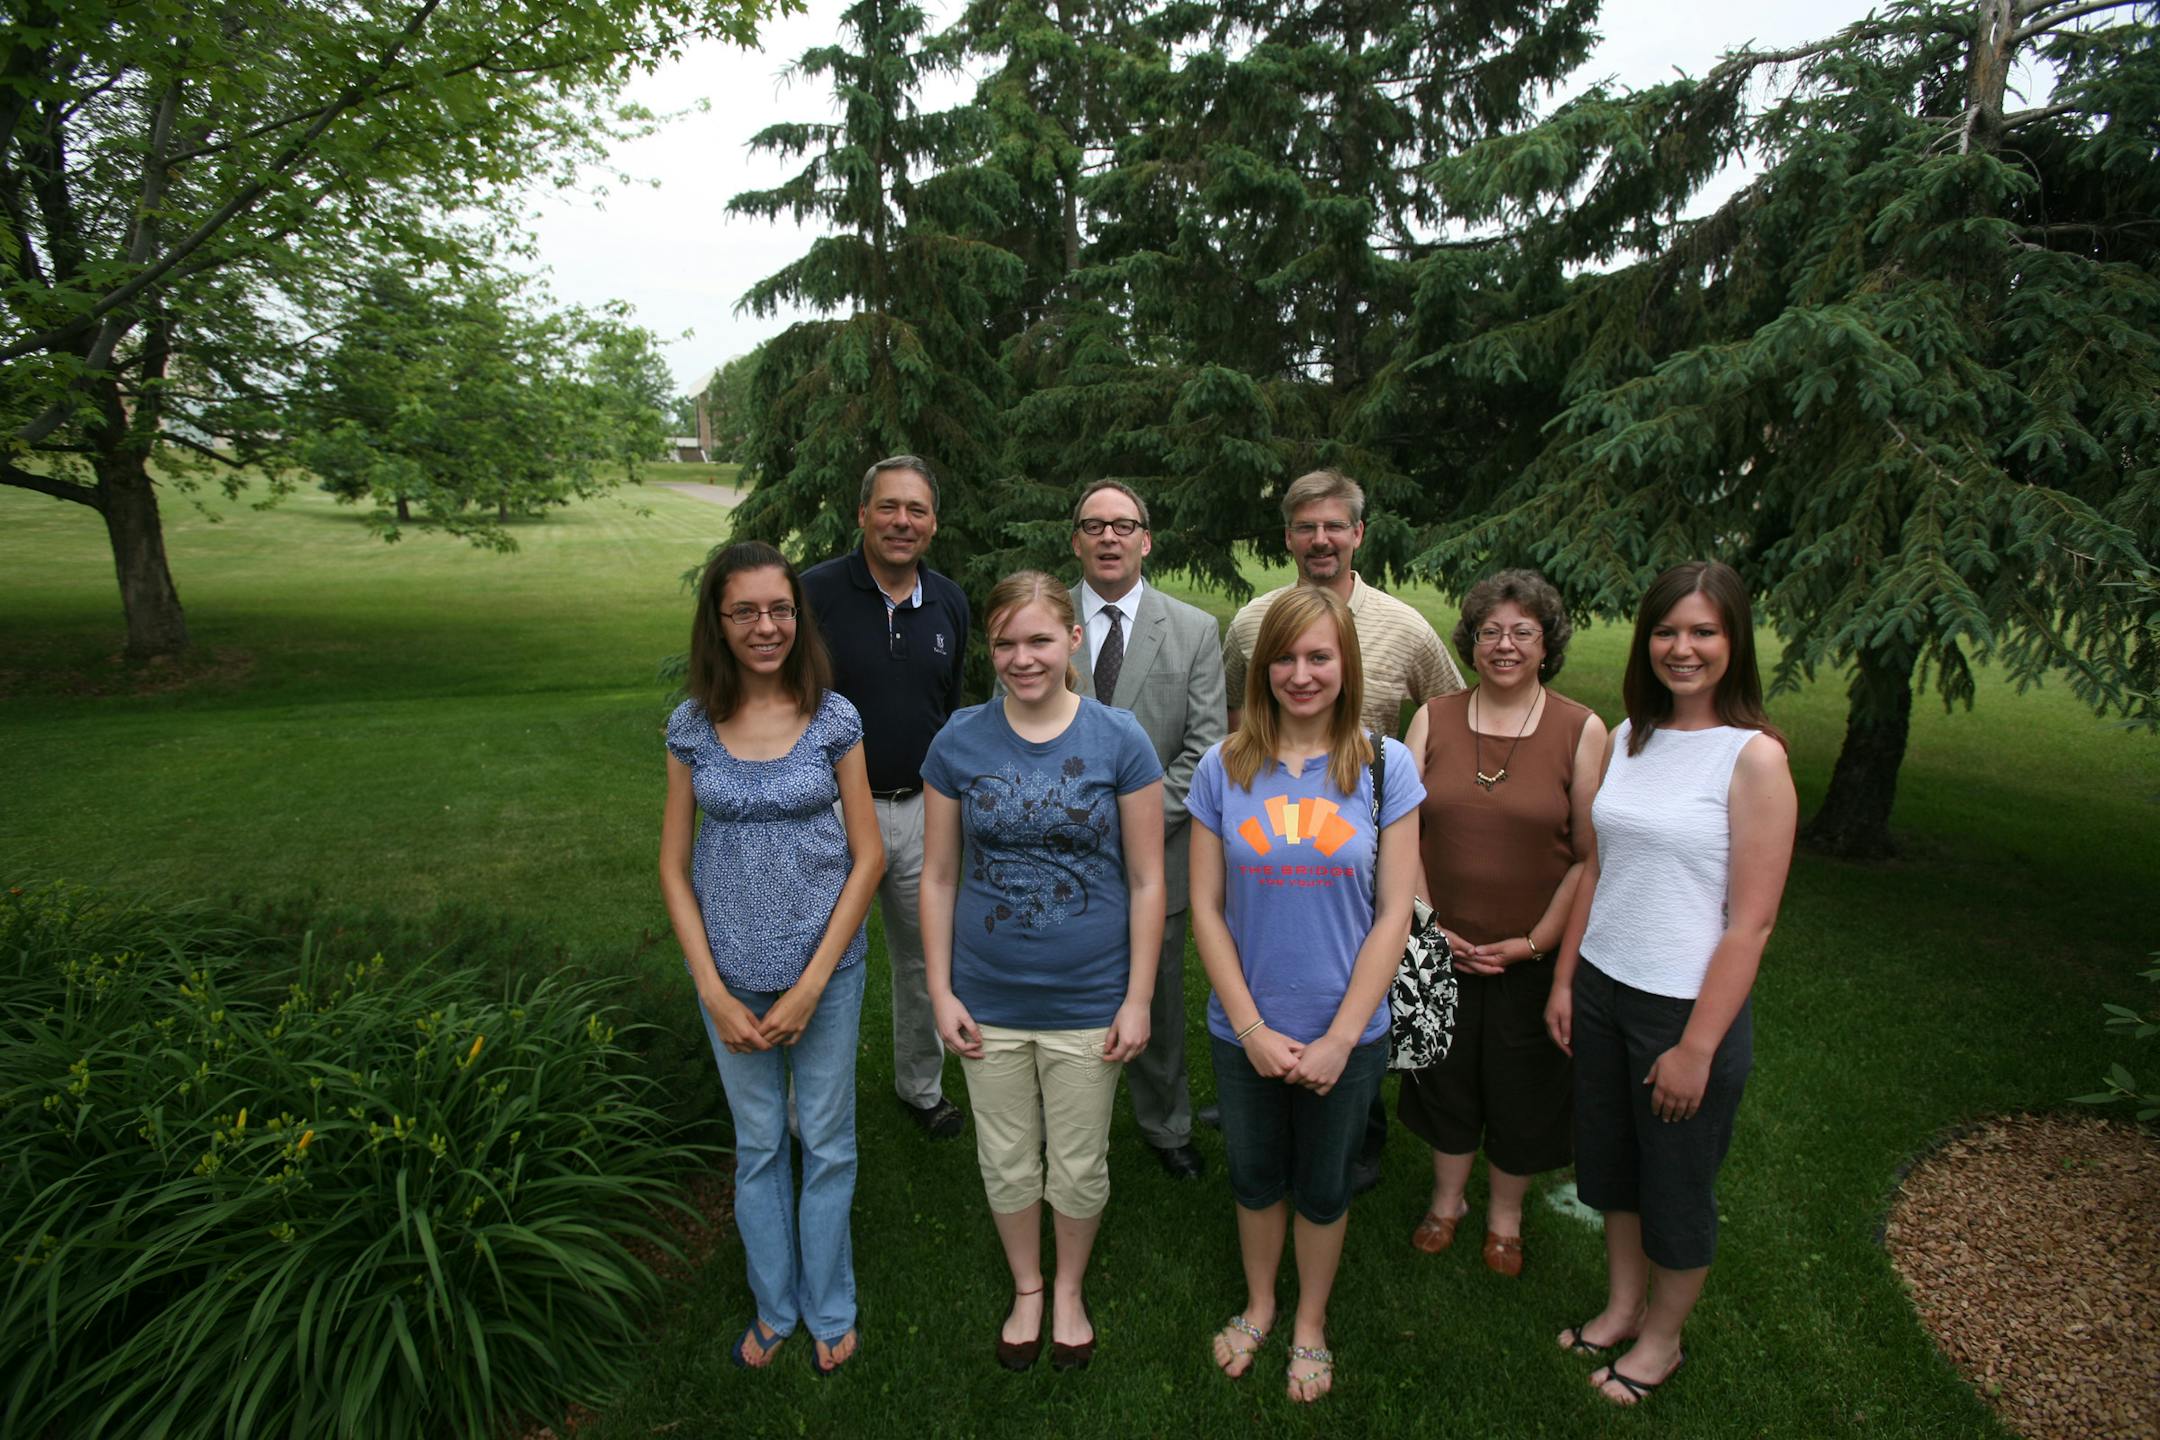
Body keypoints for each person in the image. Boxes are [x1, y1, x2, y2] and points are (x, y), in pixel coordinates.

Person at [1545, 560, 1797, 1406]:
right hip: (1605, 987)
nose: (1681, 649)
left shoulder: (1754, 760)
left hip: (1684, 1008)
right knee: (1610, 1169)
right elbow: (1598, 870)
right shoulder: (1629, 738)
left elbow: (1751, 923)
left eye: (1703, 632)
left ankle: (1662, 1340)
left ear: (1735, 643)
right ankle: (1622, 1307)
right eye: (1667, 631)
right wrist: (1568, 981)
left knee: (1676, 1185)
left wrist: (1696, 1047)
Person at [920, 572, 1166, 1372]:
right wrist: (940, 989)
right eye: (1005, 643)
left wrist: (1137, 1000)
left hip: (1090, 997)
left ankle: (1069, 1287)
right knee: (1005, 1154)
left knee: (1080, 1159)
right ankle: (1028, 1286)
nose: (1022, 659)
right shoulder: (957, 741)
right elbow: (940, 877)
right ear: (988, 648)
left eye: (1038, 641)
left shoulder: (1119, 739)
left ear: (1072, 643)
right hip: (987, 995)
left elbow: (1146, 880)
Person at [1190, 585, 1424, 1403]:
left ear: (1346, 663)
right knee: (1256, 1176)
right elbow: (1207, 912)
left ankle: (1310, 1322)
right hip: (1244, 1028)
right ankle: (1259, 1304)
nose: (1300, 673)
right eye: (1283, 658)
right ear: (1261, 670)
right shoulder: (1226, 767)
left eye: (1318, 656)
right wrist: (1251, 1027)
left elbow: (1395, 911)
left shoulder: (1385, 767)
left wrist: (1341, 1036)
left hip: (1346, 1033)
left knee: (1324, 1187)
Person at [659, 541, 886, 1376]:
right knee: (758, 1147)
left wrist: (813, 984)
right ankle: (774, 1305)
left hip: (826, 970)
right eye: (745, 611)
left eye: (780, 609)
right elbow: (671, 866)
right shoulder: (692, 725)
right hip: (731, 979)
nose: (766, 626)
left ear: (799, 615)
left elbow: (869, 856)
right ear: (717, 623)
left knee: (826, 1143)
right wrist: (712, 990)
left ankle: (831, 1304)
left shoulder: (833, 717)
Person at [1216, 468, 1463, 1192]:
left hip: (1366, 832)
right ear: (1287, 536)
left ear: (1358, 534)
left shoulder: (1405, 626)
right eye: (1305, 526)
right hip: (1270, 830)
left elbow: (1445, 712)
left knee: (1357, 984)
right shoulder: (1253, 622)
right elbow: (1238, 715)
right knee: (1268, 960)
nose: (1320, 539)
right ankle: (1257, 1089)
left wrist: (1412, 799)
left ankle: (1357, 1137)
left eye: (1334, 526)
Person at [1398, 569, 1607, 1277]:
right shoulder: (1434, 716)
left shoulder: (1581, 729)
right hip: (1435, 946)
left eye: (1523, 631)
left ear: (1547, 643)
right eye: (1490, 631)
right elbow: (1405, 835)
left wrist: (1533, 944)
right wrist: (1426, 926)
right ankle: (1447, 1200)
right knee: (1442, 1080)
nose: (1505, 644)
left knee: (1525, 1089)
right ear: (1471, 640)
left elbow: (1588, 858)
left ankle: (1506, 1216)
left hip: (1533, 953)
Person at [801, 456, 971, 1140]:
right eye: (890, 507)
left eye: (918, 511)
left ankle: (921, 1087)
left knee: (925, 958)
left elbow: (949, 707)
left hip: (923, 811)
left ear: (933, 524)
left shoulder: (950, 602)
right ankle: (810, 1105)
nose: (903, 522)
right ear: (863, 513)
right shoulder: (814, 594)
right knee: (819, 957)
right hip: (833, 814)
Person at [1065, 479, 1227, 1180]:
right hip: (1056, 856)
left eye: (1123, 525)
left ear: (1146, 540)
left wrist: (1126, 825)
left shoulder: (1192, 630)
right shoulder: (1043, 619)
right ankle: (1070, 1121)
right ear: (1075, 539)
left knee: (1157, 995)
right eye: (1094, 525)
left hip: (1155, 856)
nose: (1109, 537)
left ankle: (1165, 1126)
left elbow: (1205, 748)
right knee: (1065, 993)